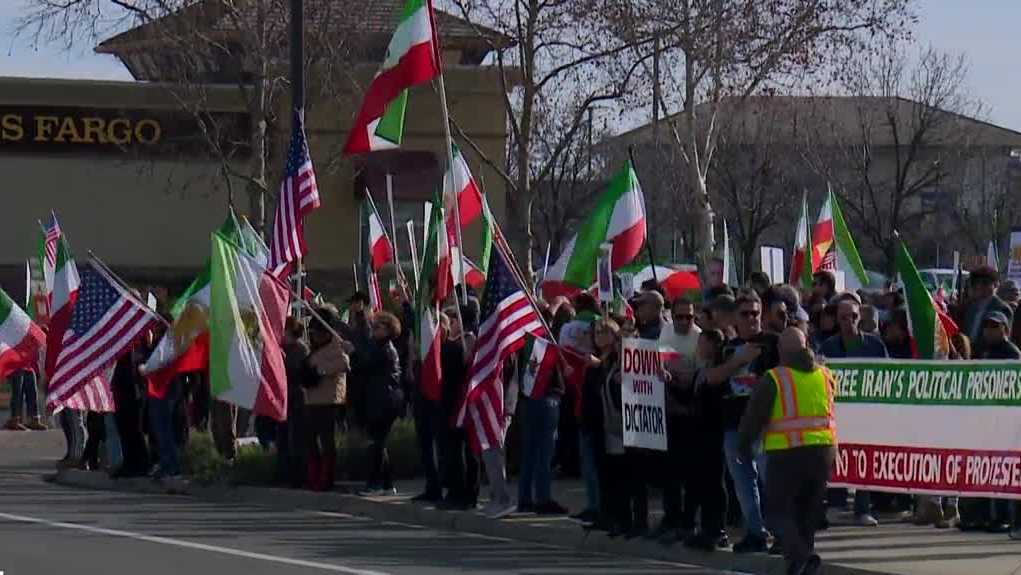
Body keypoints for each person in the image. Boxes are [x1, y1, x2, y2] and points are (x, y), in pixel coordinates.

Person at [738, 327, 836, 575]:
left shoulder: (774, 379)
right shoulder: (825, 374)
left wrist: (743, 447)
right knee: (807, 512)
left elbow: (753, 419)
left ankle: (802, 557)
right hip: (824, 452)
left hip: (787, 453)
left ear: (781, 350)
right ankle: (800, 564)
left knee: (777, 511)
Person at [704, 292, 778, 553]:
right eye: (745, 314)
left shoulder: (773, 343)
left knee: (772, 481)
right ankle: (755, 532)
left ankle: (782, 533)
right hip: (734, 424)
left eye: (755, 313)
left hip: (765, 424)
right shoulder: (728, 347)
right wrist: (738, 361)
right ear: (736, 317)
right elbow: (711, 377)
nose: (751, 319)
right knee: (744, 485)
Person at [818, 299, 886, 526]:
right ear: (837, 320)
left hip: (867, 414)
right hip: (836, 413)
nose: (849, 322)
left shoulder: (875, 346)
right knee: (836, 457)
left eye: (853, 317)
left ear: (861, 318)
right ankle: (836, 504)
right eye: (844, 318)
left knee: (864, 458)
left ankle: (862, 508)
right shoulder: (828, 347)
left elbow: (888, 375)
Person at [651, 297, 701, 540]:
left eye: (688, 317)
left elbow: (700, 374)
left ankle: (687, 520)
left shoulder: (698, 338)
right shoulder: (665, 333)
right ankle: (670, 517)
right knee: (668, 472)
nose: (683, 321)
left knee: (690, 473)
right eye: (679, 316)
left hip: (690, 410)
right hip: (667, 410)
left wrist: (682, 380)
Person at [681, 329, 730, 551]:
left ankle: (717, 529)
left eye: (702, 343)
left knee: (714, 484)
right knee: (701, 482)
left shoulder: (719, 372)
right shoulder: (701, 371)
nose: (699, 347)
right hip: (697, 434)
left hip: (714, 433)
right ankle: (705, 528)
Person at [303, 306, 351, 491]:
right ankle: (313, 476)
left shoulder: (337, 345)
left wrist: (319, 371)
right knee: (310, 441)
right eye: (313, 332)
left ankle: (326, 479)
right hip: (312, 399)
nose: (314, 336)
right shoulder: (313, 349)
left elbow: (344, 363)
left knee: (327, 442)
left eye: (318, 332)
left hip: (329, 400)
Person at [357, 311, 403, 496]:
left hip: (385, 401)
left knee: (377, 443)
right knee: (379, 443)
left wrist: (353, 352)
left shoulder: (385, 350)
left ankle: (375, 483)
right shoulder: (378, 346)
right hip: (378, 399)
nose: (373, 331)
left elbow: (366, 364)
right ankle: (387, 483)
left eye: (377, 327)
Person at [441, 307, 479, 510]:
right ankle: (456, 491)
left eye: (453, 319)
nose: (450, 323)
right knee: (453, 450)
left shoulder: (465, 344)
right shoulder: (452, 345)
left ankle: (467, 494)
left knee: (466, 450)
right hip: (451, 403)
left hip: (462, 402)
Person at [277, 316, 309, 488]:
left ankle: (298, 476)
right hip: (283, 399)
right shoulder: (283, 348)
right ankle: (283, 474)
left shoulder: (300, 349)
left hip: (297, 399)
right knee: (282, 438)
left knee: (296, 439)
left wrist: (282, 359)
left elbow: (298, 373)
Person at [958, 266, 1013, 356]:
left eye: (985, 283)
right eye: (976, 283)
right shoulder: (969, 307)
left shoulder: (1002, 308)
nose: (980, 286)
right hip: (967, 357)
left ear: (995, 285)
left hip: (991, 359)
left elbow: (1003, 339)